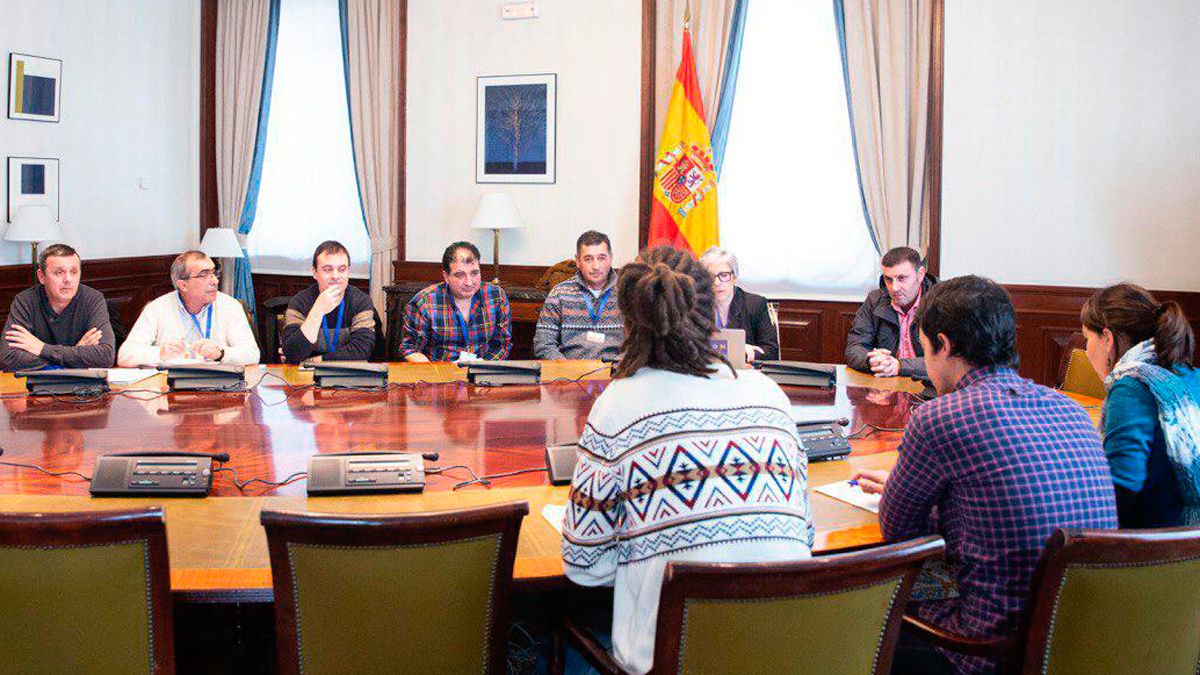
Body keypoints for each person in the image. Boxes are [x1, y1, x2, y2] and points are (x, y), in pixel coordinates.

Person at [561, 246, 812, 675]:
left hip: (672, 659)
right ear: (706, 307)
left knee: (564, 627)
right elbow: (803, 535)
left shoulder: (618, 405)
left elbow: (584, 566)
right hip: (784, 649)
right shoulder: (769, 393)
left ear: (627, 323)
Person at [852, 276, 1117, 675]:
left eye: (925, 350)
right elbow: (1004, 502)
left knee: (861, 619)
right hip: (1078, 644)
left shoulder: (939, 417)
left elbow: (899, 533)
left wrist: (907, 494)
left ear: (942, 345)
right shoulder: (1071, 410)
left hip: (989, 651)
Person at [1081, 283, 1200, 527]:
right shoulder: (1192, 375)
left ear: (1106, 338)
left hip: (1154, 547)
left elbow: (1121, 489)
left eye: (1086, 338)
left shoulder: (1130, 387)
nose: (1086, 349)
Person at [118, 250, 260, 366]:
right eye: (204, 275)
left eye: (214, 273)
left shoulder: (230, 306)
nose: (215, 281)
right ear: (183, 285)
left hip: (218, 385)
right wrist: (160, 353)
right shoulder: (157, 308)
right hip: (170, 389)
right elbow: (125, 355)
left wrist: (220, 353)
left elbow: (252, 354)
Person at [0, 244, 114, 370]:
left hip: (81, 385)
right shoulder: (25, 301)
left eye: (74, 272)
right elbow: (7, 358)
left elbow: (105, 356)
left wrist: (41, 348)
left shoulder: (92, 299)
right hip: (37, 385)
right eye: (59, 273)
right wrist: (75, 354)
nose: (68, 279)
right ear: (41, 277)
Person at [400, 241, 511, 362]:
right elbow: (410, 349)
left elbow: (502, 345)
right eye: (460, 275)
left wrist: (483, 368)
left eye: (474, 273)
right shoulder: (424, 302)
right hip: (440, 375)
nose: (469, 282)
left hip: (483, 374)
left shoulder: (496, 296)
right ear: (446, 276)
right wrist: (434, 373)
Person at [845, 246, 936, 378]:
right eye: (888, 279)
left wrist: (900, 366)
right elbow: (855, 347)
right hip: (885, 385)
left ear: (920, 274)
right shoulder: (875, 300)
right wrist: (871, 361)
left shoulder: (941, 302)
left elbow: (949, 361)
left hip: (927, 386)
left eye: (902, 278)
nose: (894, 288)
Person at [533, 230, 622, 360]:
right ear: (577, 261)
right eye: (588, 259)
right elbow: (543, 343)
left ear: (611, 258)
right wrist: (567, 369)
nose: (596, 266)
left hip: (616, 374)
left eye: (601, 258)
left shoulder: (628, 293)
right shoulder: (559, 293)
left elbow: (639, 344)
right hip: (569, 374)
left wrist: (620, 368)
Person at [282, 240, 377, 363]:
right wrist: (317, 311)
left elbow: (361, 351)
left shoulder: (361, 301)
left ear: (348, 271)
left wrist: (316, 361)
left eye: (342, 269)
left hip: (348, 373)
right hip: (307, 376)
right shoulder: (299, 302)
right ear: (315, 273)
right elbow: (293, 354)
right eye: (327, 269)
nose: (335, 276)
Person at [698, 246, 778, 361]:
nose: (717, 283)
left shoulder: (755, 305)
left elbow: (771, 352)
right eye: (710, 276)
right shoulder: (696, 305)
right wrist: (734, 350)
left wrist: (744, 352)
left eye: (724, 275)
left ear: (734, 276)